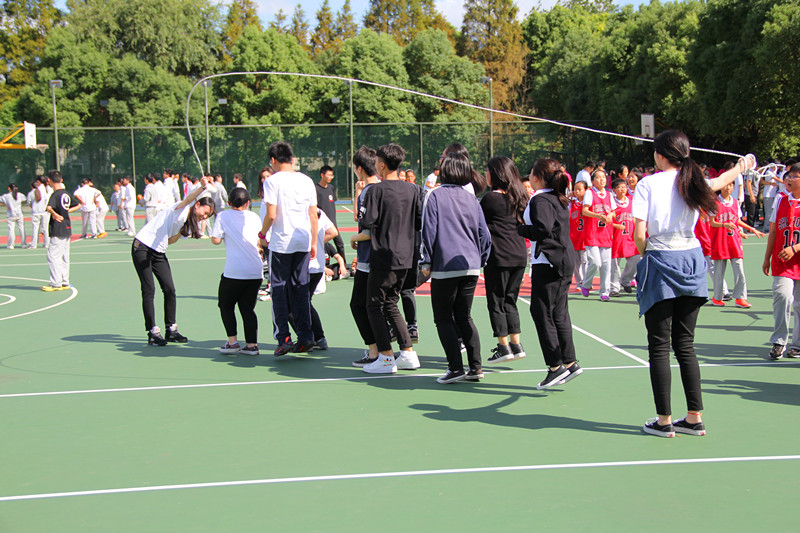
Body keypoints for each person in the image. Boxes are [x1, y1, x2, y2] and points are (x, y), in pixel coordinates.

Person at [632, 129, 755, 438]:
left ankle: (664, 421)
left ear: (660, 155)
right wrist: (743, 166)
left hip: (661, 258)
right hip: (692, 259)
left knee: (659, 346)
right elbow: (721, 180)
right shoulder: (693, 180)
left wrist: (649, 254)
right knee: (685, 344)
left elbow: (639, 235)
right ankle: (694, 417)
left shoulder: (648, 183)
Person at [350, 143, 422, 373]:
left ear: (381, 165)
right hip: (406, 258)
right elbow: (419, 222)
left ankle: (386, 357)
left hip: (383, 256)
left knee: (373, 305)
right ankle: (408, 353)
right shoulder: (413, 190)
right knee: (391, 304)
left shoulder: (376, 191)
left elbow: (367, 223)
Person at [421, 152, 491, 383]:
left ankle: (455, 368)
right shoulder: (472, 198)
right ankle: (476, 368)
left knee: (443, 318)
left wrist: (425, 262)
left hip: (445, 266)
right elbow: (484, 234)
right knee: (464, 316)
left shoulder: (434, 195)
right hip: (471, 265)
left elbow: (428, 231)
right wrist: (481, 259)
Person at [518, 159, 581, 389]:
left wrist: (520, 228)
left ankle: (556, 367)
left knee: (541, 312)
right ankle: (570, 362)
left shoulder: (540, 199)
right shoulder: (557, 197)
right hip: (562, 260)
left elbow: (542, 229)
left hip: (549, 262)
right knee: (559, 313)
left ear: (536, 178)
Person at [132, 178, 215, 345]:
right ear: (197, 205)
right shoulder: (181, 209)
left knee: (169, 289)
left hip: (158, 251)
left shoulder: (189, 223)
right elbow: (188, 199)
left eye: (208, 216)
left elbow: (170, 240)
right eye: (205, 212)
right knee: (149, 289)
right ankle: (152, 331)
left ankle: (171, 329)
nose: (204, 217)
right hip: (142, 246)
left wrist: (182, 232)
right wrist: (202, 187)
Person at [259, 141, 319, 356]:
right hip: (302, 241)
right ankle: (306, 336)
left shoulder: (272, 181)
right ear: (292, 159)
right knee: (300, 289)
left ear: (273, 160)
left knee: (278, 290)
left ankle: (283, 337)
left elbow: (271, 214)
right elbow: (313, 215)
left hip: (281, 243)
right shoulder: (306, 180)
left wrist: (261, 234)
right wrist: (313, 242)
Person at [480, 156, 528, 364]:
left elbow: (479, 224)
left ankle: (503, 346)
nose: (485, 174)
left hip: (499, 256)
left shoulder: (491, 198)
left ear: (496, 174)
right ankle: (517, 344)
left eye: (488, 170)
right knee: (510, 300)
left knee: (496, 301)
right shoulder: (520, 196)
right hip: (519, 255)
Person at [211, 187, 262, 356]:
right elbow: (260, 240)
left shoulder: (223, 216)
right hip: (255, 271)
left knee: (226, 305)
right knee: (248, 309)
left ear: (229, 202)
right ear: (248, 203)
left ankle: (232, 342)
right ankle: (252, 345)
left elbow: (216, 240)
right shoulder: (254, 217)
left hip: (234, 272)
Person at [349, 146, 384, 367]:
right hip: (385, 257)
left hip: (369, 259)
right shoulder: (382, 189)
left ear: (359, 168)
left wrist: (354, 238)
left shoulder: (369, 193)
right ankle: (392, 349)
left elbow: (367, 230)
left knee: (359, 305)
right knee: (382, 305)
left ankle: (375, 351)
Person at [762, 162, 800, 359]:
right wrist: (767, 258)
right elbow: (773, 232)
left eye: (794, 176)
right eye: (788, 176)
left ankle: (797, 344)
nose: (788, 179)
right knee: (782, 296)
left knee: (799, 304)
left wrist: (795, 248)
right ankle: (779, 340)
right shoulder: (780, 200)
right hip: (782, 262)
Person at [709, 181, 764, 308]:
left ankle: (740, 298)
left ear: (733, 186)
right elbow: (712, 223)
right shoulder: (714, 203)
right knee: (719, 272)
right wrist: (724, 225)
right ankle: (717, 298)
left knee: (739, 270)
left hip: (734, 241)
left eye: (730, 185)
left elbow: (736, 220)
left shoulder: (735, 202)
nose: (727, 187)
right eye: (725, 185)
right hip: (720, 241)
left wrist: (750, 229)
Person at [42, 171, 80, 290]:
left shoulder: (55, 194)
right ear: (61, 180)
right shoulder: (65, 193)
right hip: (67, 226)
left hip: (58, 228)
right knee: (64, 256)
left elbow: (49, 207)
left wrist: (55, 214)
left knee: (53, 256)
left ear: (49, 181)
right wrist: (66, 212)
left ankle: (56, 283)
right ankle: (65, 281)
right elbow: (78, 205)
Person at [581, 169, 615, 300]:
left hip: (605, 234)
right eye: (598, 177)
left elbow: (613, 211)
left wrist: (610, 215)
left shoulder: (609, 194)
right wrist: (597, 216)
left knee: (606, 265)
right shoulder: (590, 193)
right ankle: (586, 284)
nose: (602, 179)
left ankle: (604, 292)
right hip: (592, 234)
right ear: (593, 180)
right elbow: (584, 211)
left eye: (604, 177)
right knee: (595, 263)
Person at [609, 178, 640, 296]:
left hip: (629, 238)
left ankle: (625, 280)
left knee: (635, 259)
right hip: (616, 238)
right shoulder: (612, 203)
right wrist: (616, 225)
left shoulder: (631, 201)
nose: (622, 189)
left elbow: (635, 218)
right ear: (614, 190)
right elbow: (607, 220)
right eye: (619, 187)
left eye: (624, 187)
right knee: (615, 264)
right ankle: (614, 288)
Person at [315, 165, 346, 267]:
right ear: (322, 175)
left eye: (332, 175)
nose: (331, 177)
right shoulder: (316, 189)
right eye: (329, 175)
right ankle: (321, 265)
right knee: (322, 245)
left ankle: (343, 266)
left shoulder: (331, 188)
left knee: (340, 244)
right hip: (322, 225)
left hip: (333, 223)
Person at [569, 181, 588, 287]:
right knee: (575, 262)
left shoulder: (588, 203)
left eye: (579, 189)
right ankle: (579, 281)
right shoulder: (572, 203)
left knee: (585, 260)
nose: (577, 191)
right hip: (574, 236)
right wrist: (568, 196)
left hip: (585, 237)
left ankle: (586, 281)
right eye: (575, 189)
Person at [1, 183, 27, 249]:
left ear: (9, 188)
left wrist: (6, 205)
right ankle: (23, 244)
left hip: (11, 214)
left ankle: (11, 244)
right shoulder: (20, 195)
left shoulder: (6, 196)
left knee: (11, 230)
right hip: (19, 213)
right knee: (22, 229)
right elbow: (24, 199)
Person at [27, 177, 50, 249]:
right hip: (44, 212)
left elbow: (29, 203)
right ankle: (46, 244)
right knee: (45, 229)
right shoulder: (44, 190)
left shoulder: (31, 193)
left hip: (35, 212)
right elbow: (46, 200)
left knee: (35, 229)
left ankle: (34, 244)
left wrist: (32, 206)